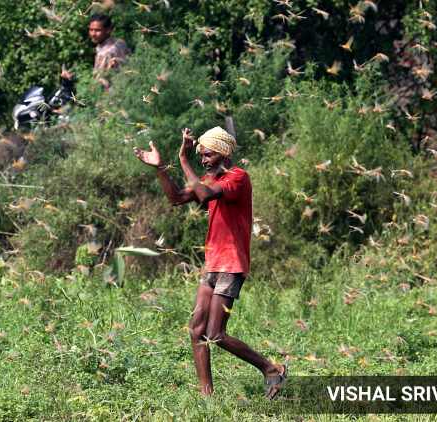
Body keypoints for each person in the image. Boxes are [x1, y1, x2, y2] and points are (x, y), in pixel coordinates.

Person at [133, 127, 287, 399]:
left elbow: (203, 195)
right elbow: (176, 198)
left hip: (232, 265)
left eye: (207, 154)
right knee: (196, 330)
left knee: (215, 334)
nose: (203, 159)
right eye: (200, 155)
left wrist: (183, 160)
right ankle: (207, 397)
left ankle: (271, 369)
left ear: (223, 153)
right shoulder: (208, 179)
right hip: (213, 263)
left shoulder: (238, 178)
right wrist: (160, 168)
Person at [61, 13, 130, 90]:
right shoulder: (120, 42)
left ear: (108, 30)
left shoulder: (105, 53)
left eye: (97, 30)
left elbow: (98, 82)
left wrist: (73, 79)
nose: (93, 34)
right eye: (91, 30)